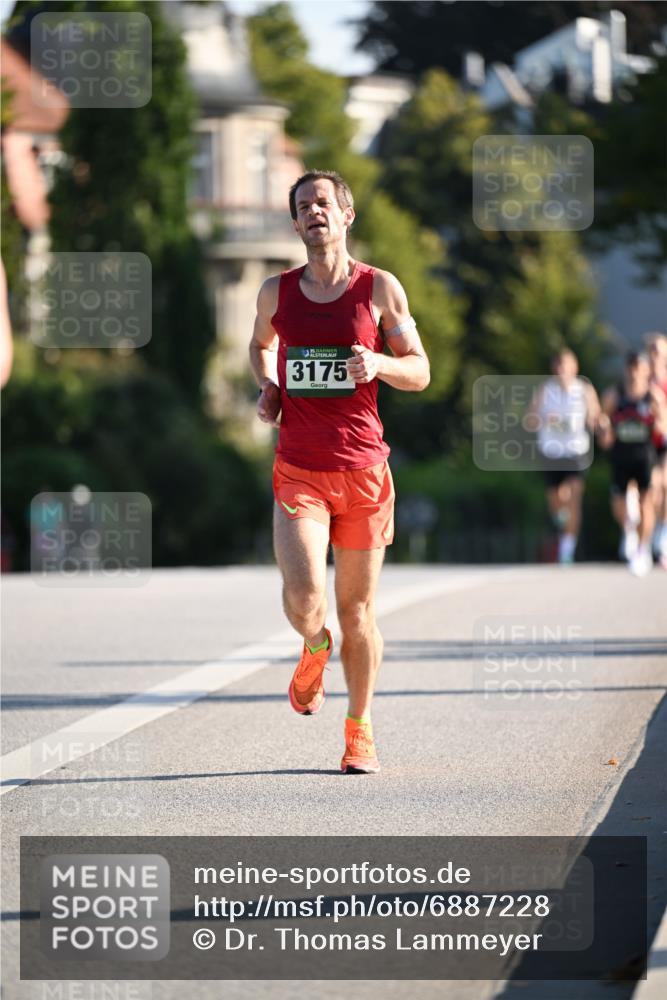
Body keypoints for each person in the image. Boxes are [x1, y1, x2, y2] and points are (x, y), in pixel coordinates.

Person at [249, 170, 430, 774]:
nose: (314, 212)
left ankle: (359, 727)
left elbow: (421, 370)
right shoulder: (275, 293)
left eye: (323, 202)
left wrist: (377, 362)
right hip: (300, 466)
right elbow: (258, 346)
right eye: (304, 206)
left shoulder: (380, 290)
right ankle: (312, 645)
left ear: (346, 215)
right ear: (295, 223)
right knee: (305, 598)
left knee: (358, 612)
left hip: (364, 471)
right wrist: (270, 385)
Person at [529, 348, 601, 564]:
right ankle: (562, 523)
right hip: (551, 451)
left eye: (566, 365)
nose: (562, 370)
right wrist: (544, 420)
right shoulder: (544, 390)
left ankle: (567, 548)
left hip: (575, 451)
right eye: (558, 365)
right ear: (554, 368)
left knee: (574, 498)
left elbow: (596, 417)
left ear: (574, 367)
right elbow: (529, 420)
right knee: (556, 502)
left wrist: (600, 424)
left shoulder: (585, 390)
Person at [598, 351, 665, 577]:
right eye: (631, 367)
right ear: (627, 369)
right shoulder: (614, 394)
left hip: (644, 456)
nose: (635, 371)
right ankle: (628, 529)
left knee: (647, 502)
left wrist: (657, 421)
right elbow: (602, 418)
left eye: (639, 367)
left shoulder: (652, 395)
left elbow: (663, 425)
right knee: (618, 501)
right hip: (621, 455)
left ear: (647, 370)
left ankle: (643, 548)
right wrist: (605, 430)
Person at [645, 333, 667, 568]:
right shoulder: (640, 381)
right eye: (652, 351)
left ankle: (663, 536)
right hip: (644, 444)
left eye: (659, 352)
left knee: (665, 484)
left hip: (665, 440)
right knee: (652, 489)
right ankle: (645, 536)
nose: (655, 357)